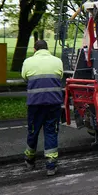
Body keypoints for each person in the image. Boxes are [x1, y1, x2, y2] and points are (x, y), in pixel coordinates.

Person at [21, 39, 64, 176]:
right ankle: (51, 165)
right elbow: (60, 76)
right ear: (47, 48)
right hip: (53, 103)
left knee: (33, 131)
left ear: (35, 49)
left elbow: (25, 78)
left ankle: (30, 160)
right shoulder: (57, 61)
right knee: (51, 131)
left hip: (35, 104)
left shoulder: (28, 62)